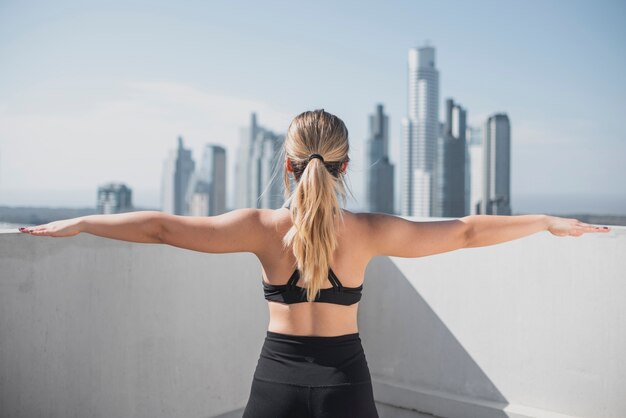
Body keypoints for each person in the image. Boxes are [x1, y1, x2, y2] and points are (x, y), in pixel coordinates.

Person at [19, 109, 611, 418]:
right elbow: (464, 231)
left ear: (288, 166)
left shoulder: (260, 228)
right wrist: (543, 221)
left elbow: (160, 227)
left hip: (275, 381)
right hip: (345, 385)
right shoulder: (370, 231)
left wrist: (81, 221)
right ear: (345, 168)